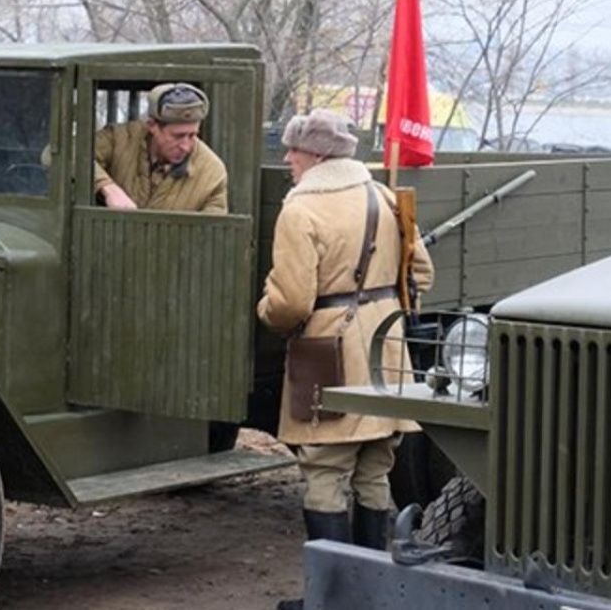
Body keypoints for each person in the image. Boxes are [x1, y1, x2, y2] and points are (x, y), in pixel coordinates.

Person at [257, 109, 434, 610]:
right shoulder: (382, 196)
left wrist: (266, 307)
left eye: (294, 150)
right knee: (375, 469)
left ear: (316, 156)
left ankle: (332, 599)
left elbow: (290, 302)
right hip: (387, 350)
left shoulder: (300, 210)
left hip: (323, 351)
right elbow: (422, 271)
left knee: (323, 469)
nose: (287, 158)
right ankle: (368, 595)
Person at [93, 83, 228, 214]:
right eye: (178, 136)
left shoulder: (212, 173)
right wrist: (107, 187)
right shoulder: (119, 139)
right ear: (152, 126)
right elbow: (77, 154)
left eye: (193, 135)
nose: (186, 147)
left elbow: (214, 232)